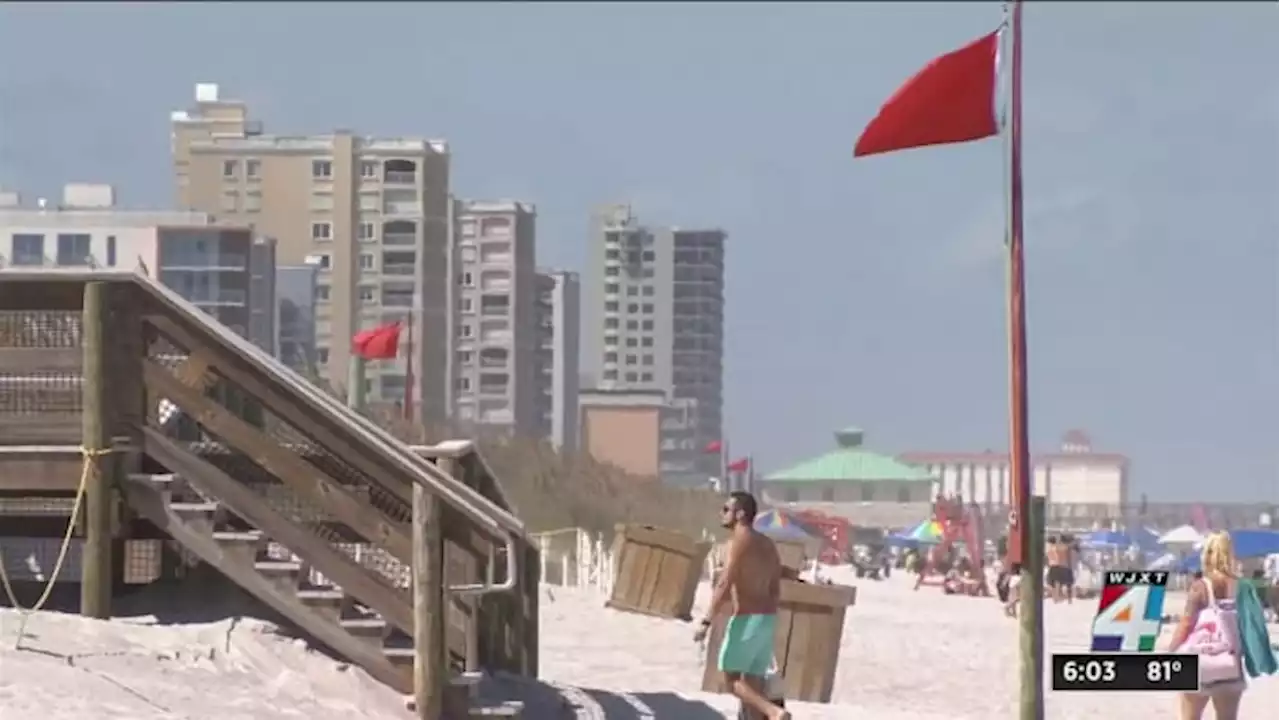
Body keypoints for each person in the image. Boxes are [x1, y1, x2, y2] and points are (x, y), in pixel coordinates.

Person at [693, 491, 792, 720]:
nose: (722, 513)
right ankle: (764, 714)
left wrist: (706, 620)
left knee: (731, 680)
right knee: (754, 684)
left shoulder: (739, 541)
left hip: (746, 619)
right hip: (766, 620)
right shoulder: (766, 543)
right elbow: (775, 584)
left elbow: (725, 584)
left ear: (740, 514)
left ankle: (774, 712)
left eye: (726, 509)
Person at [1168, 531, 1277, 720]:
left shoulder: (1200, 586)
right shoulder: (1243, 587)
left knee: (1190, 717)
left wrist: (1170, 649)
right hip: (1229, 664)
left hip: (1199, 664)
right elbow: (1254, 626)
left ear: (1208, 554)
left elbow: (1186, 623)